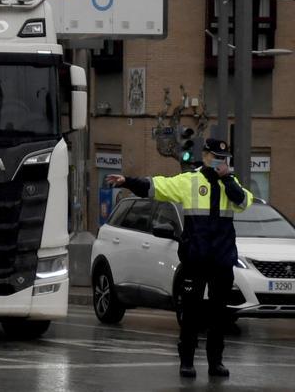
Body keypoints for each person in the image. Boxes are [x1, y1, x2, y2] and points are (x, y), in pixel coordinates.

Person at [105, 138, 252, 379]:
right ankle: (187, 362)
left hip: (222, 260)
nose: (220, 161)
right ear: (205, 156)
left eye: (224, 158)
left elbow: (244, 202)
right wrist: (128, 181)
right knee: (191, 314)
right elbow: (157, 186)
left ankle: (216, 362)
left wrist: (226, 178)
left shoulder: (231, 183)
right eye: (215, 156)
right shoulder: (190, 181)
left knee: (219, 315)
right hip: (196, 259)